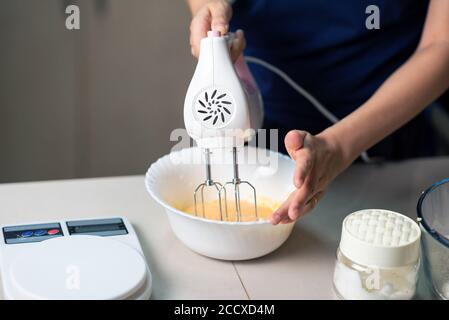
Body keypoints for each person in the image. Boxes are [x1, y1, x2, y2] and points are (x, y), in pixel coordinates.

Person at [186, 0, 449, 225]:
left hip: (386, 127)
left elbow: (442, 44)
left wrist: (339, 146)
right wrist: (210, 11)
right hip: (261, 113)